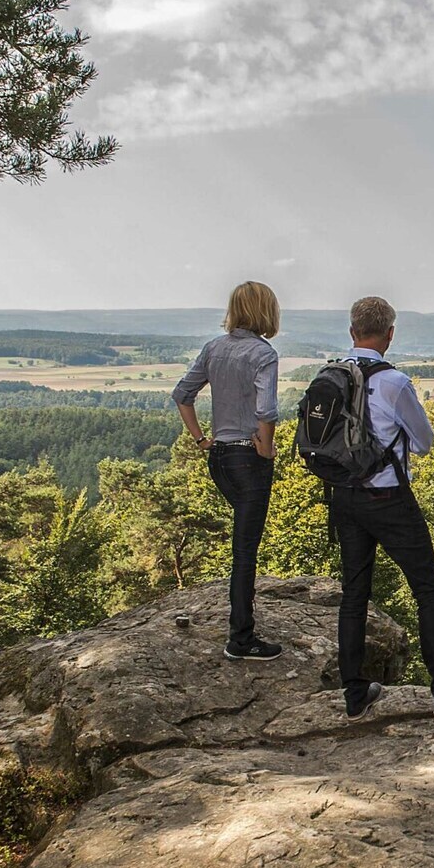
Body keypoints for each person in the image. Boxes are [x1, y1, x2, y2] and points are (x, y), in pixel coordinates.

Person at [328, 296, 434, 721]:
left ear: (352, 330)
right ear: (390, 334)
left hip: (344, 496)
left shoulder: (331, 374)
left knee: (354, 594)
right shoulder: (394, 382)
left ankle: (355, 695)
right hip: (389, 497)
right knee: (427, 590)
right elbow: (425, 442)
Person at [172, 280, 284, 661]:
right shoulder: (263, 354)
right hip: (249, 459)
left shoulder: (214, 348)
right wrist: (266, 450)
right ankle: (241, 638)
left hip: (218, 457)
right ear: (266, 312)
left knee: (242, 544)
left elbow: (182, 395)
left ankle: (242, 628)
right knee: (245, 550)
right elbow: (266, 410)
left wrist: (202, 439)